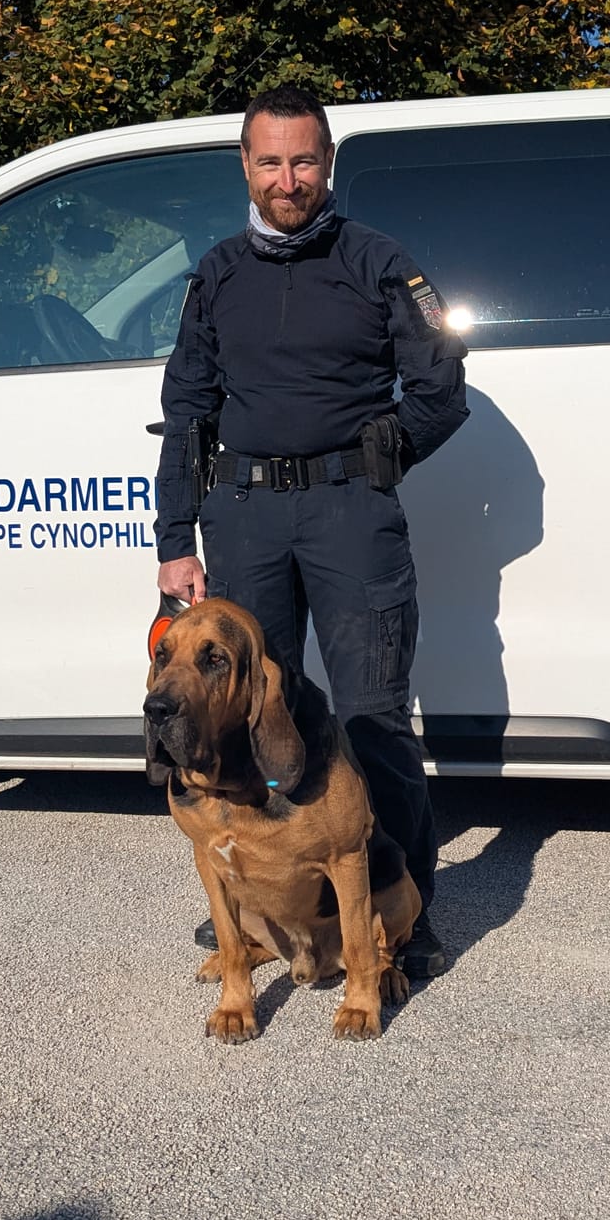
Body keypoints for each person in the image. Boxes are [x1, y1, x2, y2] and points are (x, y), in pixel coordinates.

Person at [155, 85, 469, 978]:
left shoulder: (380, 263)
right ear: (245, 167)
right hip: (245, 516)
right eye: (270, 162)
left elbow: (443, 388)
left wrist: (383, 455)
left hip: (349, 515)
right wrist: (175, 537)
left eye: (302, 161)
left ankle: (404, 907)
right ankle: (267, 907)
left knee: (372, 719)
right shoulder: (216, 275)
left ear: (327, 162)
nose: (286, 179)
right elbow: (187, 412)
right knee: (244, 716)